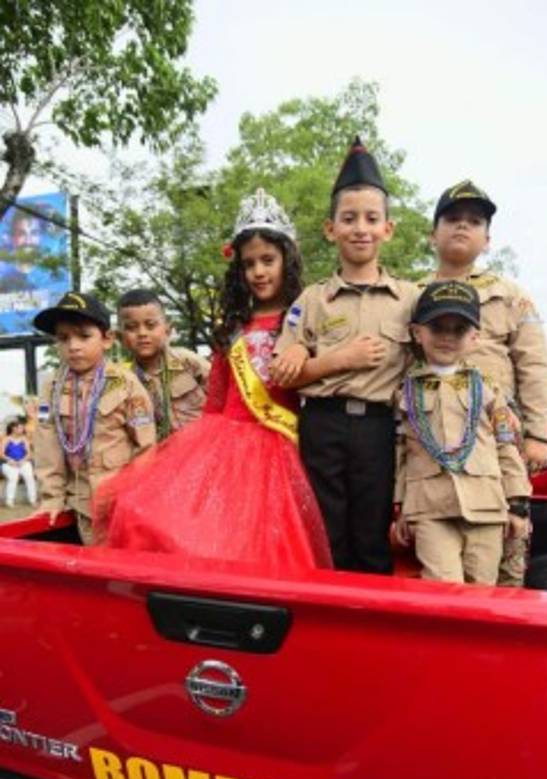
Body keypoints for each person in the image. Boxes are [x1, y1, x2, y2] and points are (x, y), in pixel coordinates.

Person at [93, 189, 331, 572]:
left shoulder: (304, 318)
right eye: (249, 263)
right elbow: (216, 401)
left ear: (288, 258)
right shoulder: (231, 328)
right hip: (224, 448)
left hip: (283, 451)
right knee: (186, 529)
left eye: (268, 260)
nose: (258, 271)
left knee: (271, 549)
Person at [270, 137, 419, 574]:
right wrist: (338, 358)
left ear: (388, 229)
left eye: (372, 219)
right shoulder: (312, 300)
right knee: (326, 530)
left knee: (373, 533)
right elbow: (284, 376)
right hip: (323, 424)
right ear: (329, 228)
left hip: (379, 429)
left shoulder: (410, 299)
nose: (360, 228)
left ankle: (371, 630)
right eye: (348, 218)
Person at [419, 179, 547, 585]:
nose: (462, 226)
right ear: (433, 234)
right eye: (452, 218)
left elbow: (534, 367)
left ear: (487, 239)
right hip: (434, 435)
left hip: (500, 437)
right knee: (435, 550)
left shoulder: (511, 296)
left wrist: (538, 436)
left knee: (508, 544)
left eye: (474, 221)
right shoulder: (413, 295)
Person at [395, 281, 532, 584]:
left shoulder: (488, 389)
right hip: (430, 507)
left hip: (486, 505)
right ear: (417, 332)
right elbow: (401, 453)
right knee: (443, 590)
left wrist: (518, 504)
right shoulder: (405, 391)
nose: (447, 337)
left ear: (475, 337)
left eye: (458, 329)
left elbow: (506, 446)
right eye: (437, 327)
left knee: (482, 589)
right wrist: (401, 508)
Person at [32, 291, 156, 544]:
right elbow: (48, 447)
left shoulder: (125, 384)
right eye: (63, 338)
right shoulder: (51, 386)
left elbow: (146, 449)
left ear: (108, 339)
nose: (73, 346)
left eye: (84, 336)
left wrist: (133, 499)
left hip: (119, 504)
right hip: (76, 505)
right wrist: (52, 498)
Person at [116, 288, 210, 440]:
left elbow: (225, 400)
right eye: (132, 327)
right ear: (120, 337)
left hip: (205, 447)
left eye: (150, 325)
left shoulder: (189, 362)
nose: (142, 333)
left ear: (167, 329)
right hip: (159, 457)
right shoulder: (125, 382)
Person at [1, 419, 37, 507]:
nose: (22, 429)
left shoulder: (24, 439)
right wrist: (10, 460)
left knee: (29, 477)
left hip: (23, 462)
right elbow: (1, 453)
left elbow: (29, 453)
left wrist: (23, 460)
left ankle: (33, 500)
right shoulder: (6, 439)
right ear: (14, 429)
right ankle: (9, 501)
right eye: (20, 428)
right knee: (13, 477)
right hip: (8, 463)